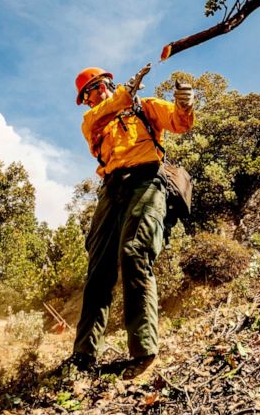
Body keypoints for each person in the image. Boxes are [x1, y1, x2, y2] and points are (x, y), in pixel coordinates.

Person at [69, 65, 195, 378]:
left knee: (135, 253)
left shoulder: (146, 106)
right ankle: (83, 355)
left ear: (104, 85)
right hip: (111, 190)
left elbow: (179, 123)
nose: (91, 100)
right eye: (87, 97)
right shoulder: (92, 121)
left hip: (146, 181)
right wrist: (125, 92)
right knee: (98, 269)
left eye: (92, 93)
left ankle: (143, 351)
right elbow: (101, 114)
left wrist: (184, 104)